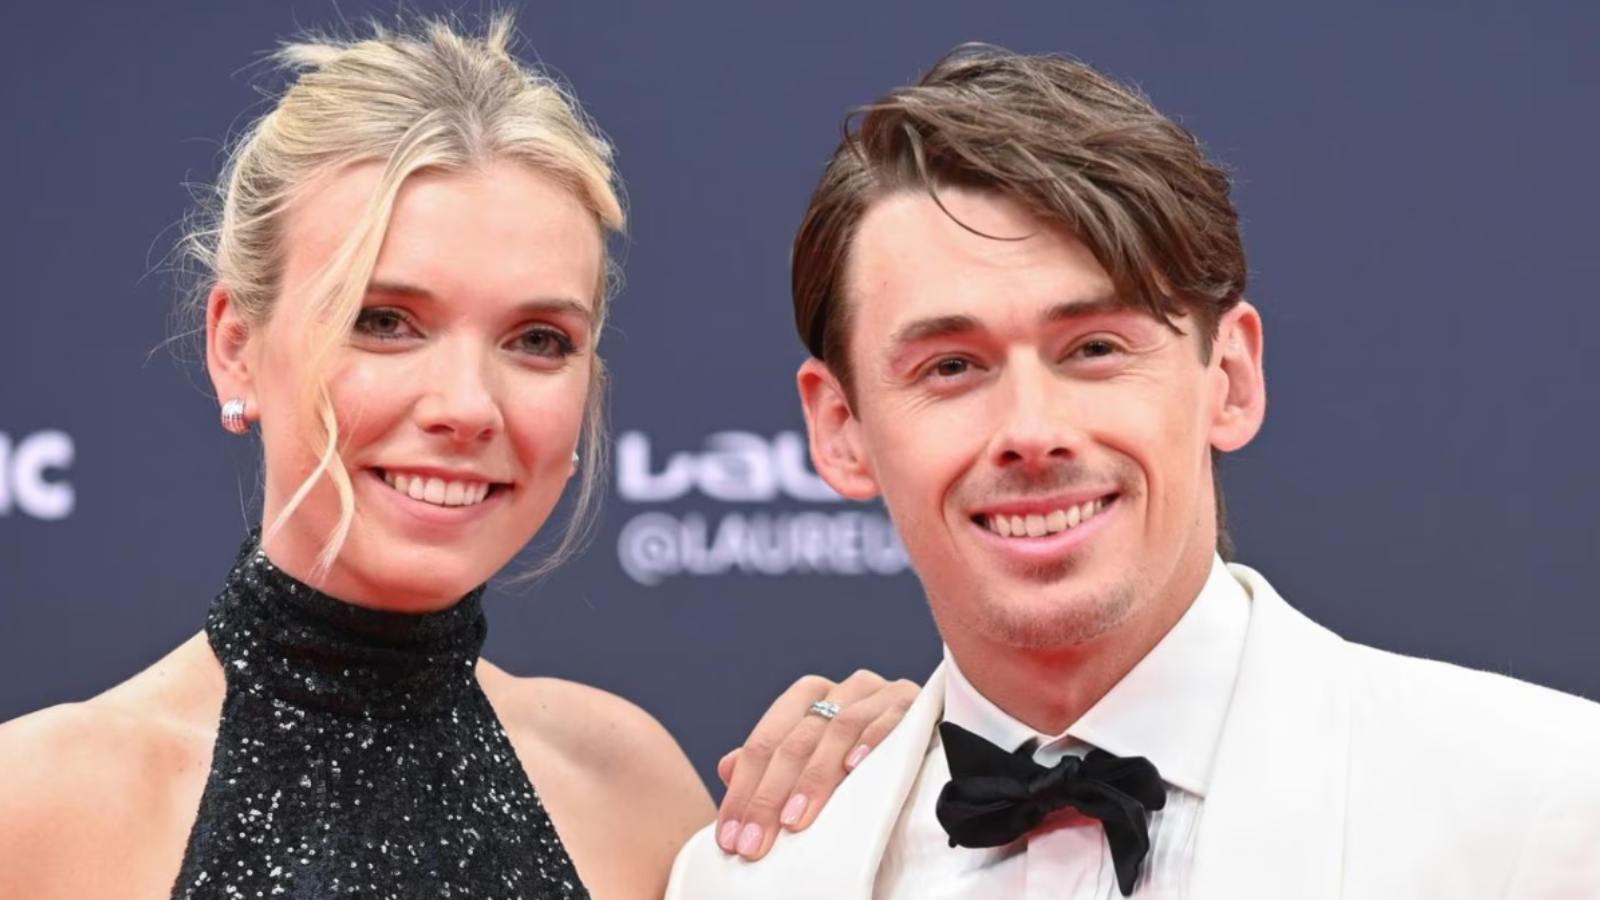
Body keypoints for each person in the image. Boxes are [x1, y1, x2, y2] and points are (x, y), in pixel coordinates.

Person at [0, 17, 915, 900]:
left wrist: (914, 780)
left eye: (537, 340)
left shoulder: (632, 789)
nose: (468, 406)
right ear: (237, 345)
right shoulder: (39, 805)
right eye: (384, 322)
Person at [668, 44, 1600, 898]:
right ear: (841, 430)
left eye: (1095, 348)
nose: (1031, 432)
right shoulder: (749, 881)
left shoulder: (1547, 806)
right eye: (951, 366)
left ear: (1229, 378)